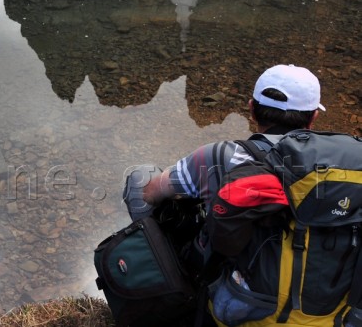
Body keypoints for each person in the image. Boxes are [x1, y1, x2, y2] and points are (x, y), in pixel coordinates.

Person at [132, 64, 328, 326]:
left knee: (139, 177)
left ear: (251, 109)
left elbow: (151, 193)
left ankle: (154, 286)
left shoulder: (220, 156)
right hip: (327, 311)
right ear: (313, 117)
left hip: (237, 307)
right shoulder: (343, 168)